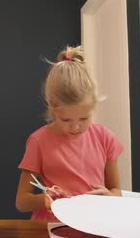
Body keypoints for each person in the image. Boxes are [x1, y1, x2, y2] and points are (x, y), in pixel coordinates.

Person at [15, 46, 124, 221]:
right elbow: (22, 201)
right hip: (51, 229)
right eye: (66, 120)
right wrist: (43, 199)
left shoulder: (105, 138)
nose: (75, 127)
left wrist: (109, 197)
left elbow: (116, 191)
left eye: (84, 118)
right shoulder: (39, 141)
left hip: (95, 225)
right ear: (52, 110)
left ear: (94, 107)